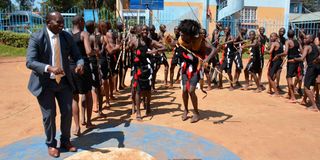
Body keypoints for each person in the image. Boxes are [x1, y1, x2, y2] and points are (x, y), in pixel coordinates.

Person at [26, 11, 82, 158]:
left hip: (63, 82)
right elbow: (30, 61)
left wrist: (80, 64)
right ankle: (51, 144)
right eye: (59, 22)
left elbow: (77, 55)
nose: (62, 25)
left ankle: (65, 141)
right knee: (49, 115)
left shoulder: (66, 36)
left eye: (63, 22)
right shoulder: (37, 37)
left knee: (68, 112)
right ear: (48, 22)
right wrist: (49, 67)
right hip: (44, 83)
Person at [176, 19, 217, 123]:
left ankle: (196, 113)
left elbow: (214, 49)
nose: (181, 35)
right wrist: (170, 42)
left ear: (189, 34)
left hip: (196, 68)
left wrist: (206, 60)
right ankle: (185, 110)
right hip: (185, 67)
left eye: (184, 33)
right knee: (184, 89)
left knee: (191, 90)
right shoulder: (181, 40)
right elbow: (175, 45)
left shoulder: (200, 41)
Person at [128, 25, 166, 121]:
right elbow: (128, 48)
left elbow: (164, 47)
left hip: (148, 69)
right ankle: (138, 112)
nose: (145, 31)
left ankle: (148, 107)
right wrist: (129, 46)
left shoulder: (150, 41)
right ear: (139, 31)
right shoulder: (135, 41)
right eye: (143, 29)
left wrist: (154, 51)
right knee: (137, 90)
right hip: (138, 68)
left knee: (148, 90)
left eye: (146, 30)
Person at [70, 16, 95, 136]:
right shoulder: (84, 34)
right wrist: (96, 52)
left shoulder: (67, 34)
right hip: (83, 66)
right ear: (80, 22)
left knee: (74, 97)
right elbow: (89, 51)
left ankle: (77, 127)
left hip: (71, 67)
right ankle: (88, 122)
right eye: (83, 21)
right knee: (88, 93)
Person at [289, 34, 320, 112]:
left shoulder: (307, 47)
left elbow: (302, 58)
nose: (304, 39)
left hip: (311, 68)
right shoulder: (316, 47)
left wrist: (294, 59)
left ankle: (314, 106)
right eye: (304, 38)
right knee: (311, 85)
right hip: (317, 67)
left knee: (306, 87)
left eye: (306, 38)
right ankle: (309, 100)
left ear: (311, 40)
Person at [86, 21, 103, 115]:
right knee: (98, 88)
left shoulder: (83, 36)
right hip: (93, 63)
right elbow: (97, 51)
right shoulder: (92, 37)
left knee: (90, 88)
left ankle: (85, 117)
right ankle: (99, 109)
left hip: (86, 63)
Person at [282, 30, 302, 103]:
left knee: (289, 78)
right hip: (297, 60)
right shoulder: (298, 41)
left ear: (287, 35)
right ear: (294, 35)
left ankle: (293, 98)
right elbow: (302, 51)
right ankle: (290, 94)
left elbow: (286, 52)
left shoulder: (287, 42)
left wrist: (278, 55)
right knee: (297, 76)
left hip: (291, 61)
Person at [98, 21, 112, 108]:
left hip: (95, 61)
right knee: (105, 81)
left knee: (96, 84)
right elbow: (109, 51)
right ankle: (107, 100)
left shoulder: (91, 36)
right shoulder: (104, 38)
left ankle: (96, 104)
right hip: (103, 61)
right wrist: (117, 46)